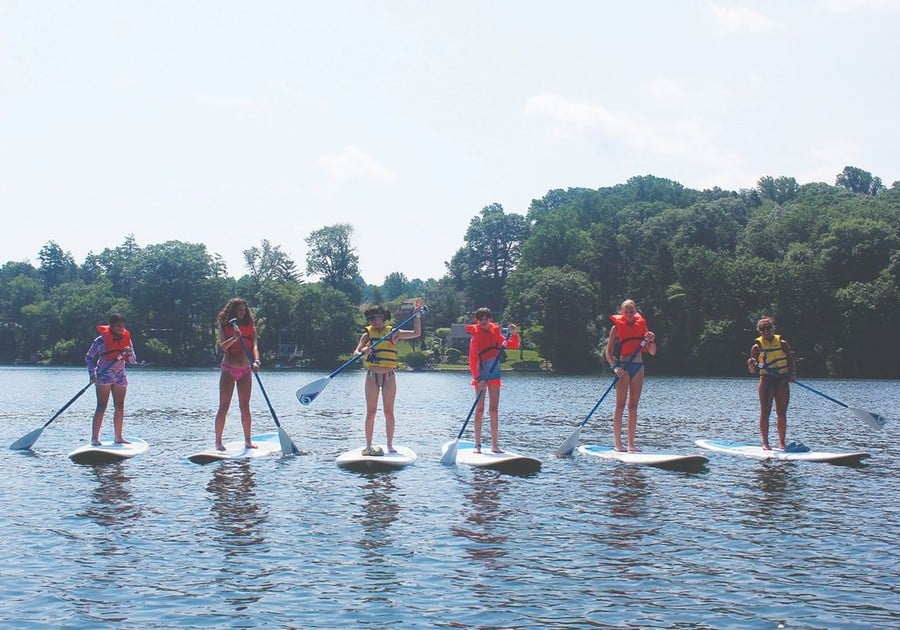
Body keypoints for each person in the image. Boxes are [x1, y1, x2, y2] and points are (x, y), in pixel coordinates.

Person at [355, 298, 426, 456]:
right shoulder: (366, 335)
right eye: (370, 318)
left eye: (376, 317)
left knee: (388, 411)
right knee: (371, 411)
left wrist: (417, 316)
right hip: (372, 375)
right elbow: (356, 352)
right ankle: (368, 444)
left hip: (389, 375)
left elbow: (417, 333)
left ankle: (390, 444)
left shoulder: (394, 333)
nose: (373, 320)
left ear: (383, 317)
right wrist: (363, 352)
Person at [605, 299, 657, 452]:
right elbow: (608, 353)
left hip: (638, 367)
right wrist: (615, 367)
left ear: (635, 312)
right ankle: (618, 444)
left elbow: (652, 351)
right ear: (622, 312)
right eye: (626, 311)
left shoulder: (642, 326)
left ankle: (631, 444)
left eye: (631, 311)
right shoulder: (616, 328)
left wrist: (652, 340)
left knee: (633, 407)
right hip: (623, 367)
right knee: (620, 406)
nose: (629, 314)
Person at [466, 307, 520, 454]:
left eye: (486, 318)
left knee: (494, 410)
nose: (484, 321)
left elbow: (513, 345)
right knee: (480, 409)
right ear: (477, 320)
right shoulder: (475, 338)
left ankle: (494, 445)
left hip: (494, 373)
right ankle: (477, 446)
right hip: (481, 374)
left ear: (490, 319)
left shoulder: (496, 333)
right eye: (481, 319)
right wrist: (478, 378)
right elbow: (472, 360)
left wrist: (514, 334)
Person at [214, 298, 260, 451]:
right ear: (232, 311)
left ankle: (248, 441)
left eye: (244, 310)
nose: (242, 312)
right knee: (224, 406)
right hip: (228, 369)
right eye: (239, 310)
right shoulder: (225, 326)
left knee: (245, 406)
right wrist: (234, 338)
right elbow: (223, 347)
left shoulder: (250, 326)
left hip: (246, 370)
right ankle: (218, 442)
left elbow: (254, 346)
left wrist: (257, 361)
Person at [86, 313, 137, 446]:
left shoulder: (127, 340)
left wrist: (129, 353)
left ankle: (119, 437)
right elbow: (90, 357)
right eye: (118, 325)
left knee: (119, 407)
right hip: (104, 374)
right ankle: (95, 438)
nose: (121, 328)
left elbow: (133, 361)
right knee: (101, 406)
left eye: (123, 325)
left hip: (120, 375)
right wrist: (92, 373)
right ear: (111, 326)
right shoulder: (101, 340)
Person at [747, 316, 797, 450]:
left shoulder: (783, 343)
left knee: (781, 413)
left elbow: (790, 361)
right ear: (760, 331)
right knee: (765, 412)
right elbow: (753, 369)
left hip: (782, 381)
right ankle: (765, 443)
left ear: (772, 328)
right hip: (766, 381)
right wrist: (751, 365)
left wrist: (792, 374)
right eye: (762, 329)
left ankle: (781, 443)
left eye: (768, 328)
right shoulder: (757, 347)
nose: (766, 331)